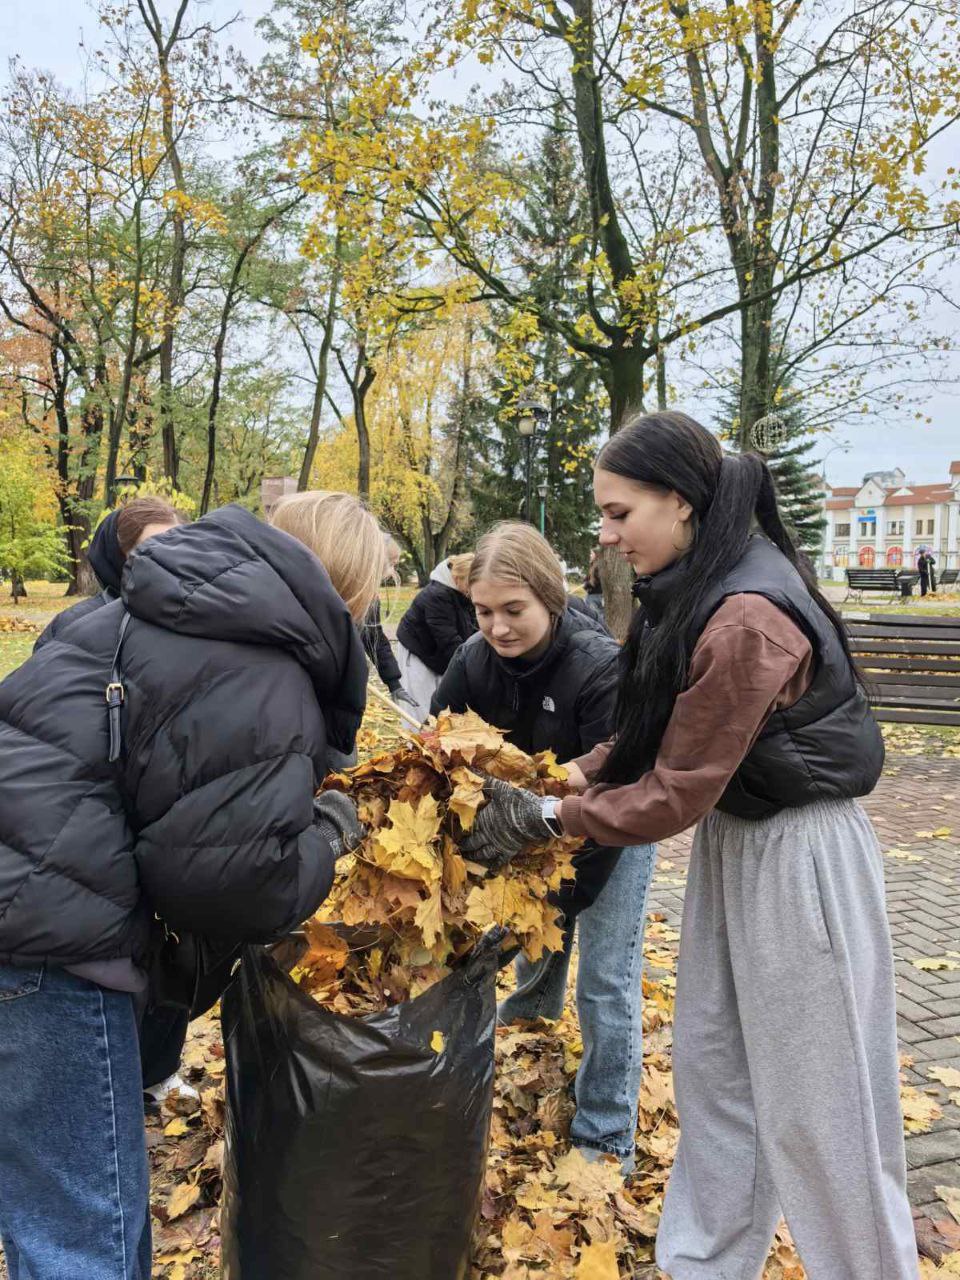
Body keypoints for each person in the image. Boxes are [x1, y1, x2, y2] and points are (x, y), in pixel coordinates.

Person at [460, 412, 917, 1280]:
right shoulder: (696, 585)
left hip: (802, 857)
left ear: (679, 501)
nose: (606, 533)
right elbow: (647, 736)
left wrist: (550, 819)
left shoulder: (747, 613)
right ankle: (705, 1263)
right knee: (717, 1072)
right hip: (737, 841)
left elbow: (676, 790)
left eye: (619, 512)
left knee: (822, 1106)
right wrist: (558, 779)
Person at [0, 492, 379, 1280]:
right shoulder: (259, 666)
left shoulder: (142, 611)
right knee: (84, 1244)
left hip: (31, 923)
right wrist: (329, 834)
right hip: (45, 947)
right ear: (343, 590)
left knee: (88, 1215)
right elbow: (231, 881)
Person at [431, 522, 656, 1171]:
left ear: (549, 598)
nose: (497, 627)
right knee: (535, 936)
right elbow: (438, 745)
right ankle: (531, 1016)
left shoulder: (598, 665)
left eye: (513, 610)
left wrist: (558, 892)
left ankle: (606, 1133)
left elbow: (618, 788)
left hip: (614, 823)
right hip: (526, 819)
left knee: (606, 980)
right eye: (483, 611)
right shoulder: (472, 659)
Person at [34, 496, 184, 650]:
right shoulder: (73, 626)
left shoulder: (195, 618)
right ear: (118, 556)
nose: (167, 559)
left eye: (176, 547)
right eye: (152, 549)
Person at [396, 551, 477, 718]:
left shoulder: (463, 594)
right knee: (421, 707)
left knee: (441, 707)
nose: (474, 588)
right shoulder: (437, 595)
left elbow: (472, 630)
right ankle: (415, 734)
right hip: (417, 650)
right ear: (457, 578)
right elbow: (448, 640)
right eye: (471, 583)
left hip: (437, 652)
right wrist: (471, 670)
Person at [363, 535, 418, 713]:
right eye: (391, 564)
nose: (393, 572)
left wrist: (394, 683)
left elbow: (375, 638)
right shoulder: (344, 593)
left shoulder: (371, 597)